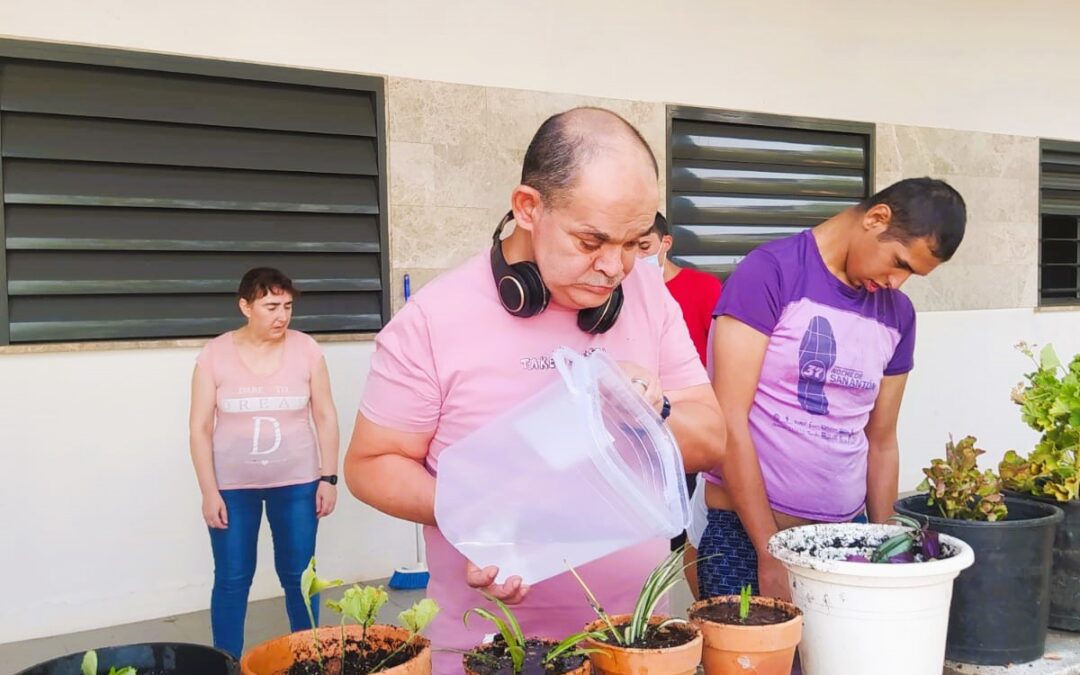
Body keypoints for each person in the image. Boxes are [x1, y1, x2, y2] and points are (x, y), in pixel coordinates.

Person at [344, 107, 726, 673]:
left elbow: (711, 437)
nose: (615, 267)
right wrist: (480, 517)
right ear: (529, 208)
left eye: (635, 242)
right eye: (591, 240)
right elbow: (370, 464)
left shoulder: (648, 293)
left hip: (636, 645)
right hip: (489, 653)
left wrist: (650, 411)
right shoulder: (434, 318)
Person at [698, 177, 966, 601]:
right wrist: (770, 553)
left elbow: (880, 442)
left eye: (912, 275)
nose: (898, 282)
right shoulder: (771, 272)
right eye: (899, 262)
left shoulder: (898, 315)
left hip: (846, 541)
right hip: (745, 537)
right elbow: (729, 419)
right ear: (877, 219)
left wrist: (886, 550)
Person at [189, 267, 340, 658]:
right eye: (271, 306)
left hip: (297, 484)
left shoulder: (307, 350)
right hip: (232, 489)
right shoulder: (214, 355)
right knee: (232, 578)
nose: (282, 316)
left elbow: (325, 414)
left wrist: (329, 477)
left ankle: (310, 660)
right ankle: (227, 662)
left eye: (287, 306)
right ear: (245, 306)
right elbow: (200, 427)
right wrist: (209, 492)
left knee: (299, 577)